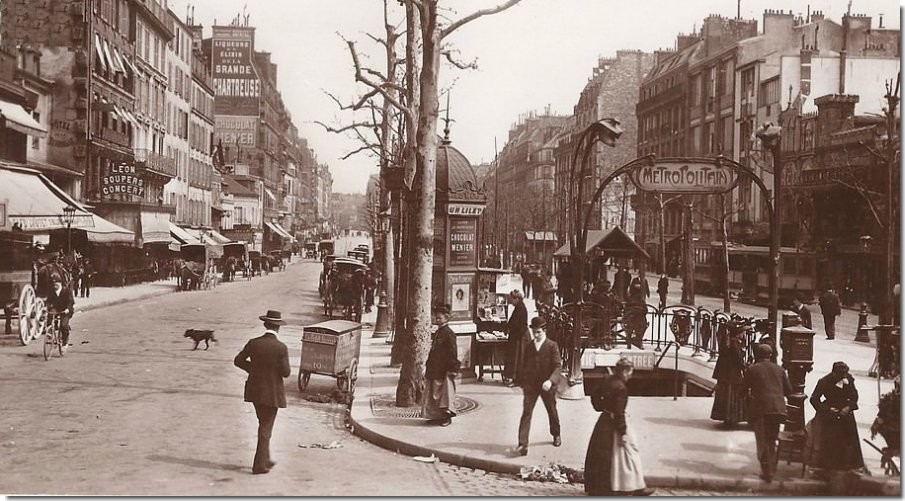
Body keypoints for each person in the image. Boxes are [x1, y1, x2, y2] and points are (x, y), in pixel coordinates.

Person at [585, 357, 654, 496]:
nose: (630, 376)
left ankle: (597, 488)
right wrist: (623, 432)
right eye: (630, 372)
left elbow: (594, 395)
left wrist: (600, 407)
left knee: (599, 456)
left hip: (603, 421)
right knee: (629, 453)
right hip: (614, 424)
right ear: (624, 372)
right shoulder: (621, 388)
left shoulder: (607, 379)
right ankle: (634, 486)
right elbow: (619, 412)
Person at [233, 310, 291, 475]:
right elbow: (286, 372)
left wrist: (253, 369)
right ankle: (259, 465)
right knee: (266, 428)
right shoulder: (281, 347)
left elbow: (238, 361)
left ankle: (266, 458)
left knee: (264, 425)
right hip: (272, 394)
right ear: (278, 327)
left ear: (265, 325)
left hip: (255, 391)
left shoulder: (254, 343)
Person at [741, 344, 792, 482]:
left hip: (761, 410)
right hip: (778, 410)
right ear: (770, 355)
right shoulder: (780, 369)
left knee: (762, 440)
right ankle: (771, 469)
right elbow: (789, 391)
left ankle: (767, 471)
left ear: (757, 355)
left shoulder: (752, 369)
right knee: (772, 439)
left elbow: (742, 390)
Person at [807, 361, 865, 475]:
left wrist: (849, 407)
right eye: (840, 375)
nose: (843, 377)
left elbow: (854, 396)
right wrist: (827, 410)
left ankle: (850, 465)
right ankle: (829, 467)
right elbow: (814, 399)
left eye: (844, 375)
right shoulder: (824, 381)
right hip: (831, 415)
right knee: (831, 440)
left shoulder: (848, 379)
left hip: (846, 414)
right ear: (834, 373)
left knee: (849, 440)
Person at [516, 316, 562, 456]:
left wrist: (550, 381)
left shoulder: (552, 346)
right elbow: (525, 365)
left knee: (551, 410)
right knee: (526, 413)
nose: (536, 335)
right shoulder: (529, 346)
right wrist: (523, 382)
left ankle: (556, 434)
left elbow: (557, 366)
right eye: (534, 332)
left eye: (538, 332)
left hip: (547, 385)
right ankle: (522, 444)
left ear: (544, 331)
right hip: (531, 385)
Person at [423, 304, 460, 426]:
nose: (437, 320)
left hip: (444, 368)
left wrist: (452, 368)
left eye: (440, 318)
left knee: (444, 394)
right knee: (434, 392)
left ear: (446, 318)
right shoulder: (438, 332)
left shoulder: (449, 333)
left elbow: (452, 352)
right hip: (435, 366)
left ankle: (446, 417)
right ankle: (437, 416)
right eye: (436, 318)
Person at [710, 320, 747, 426]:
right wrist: (744, 367)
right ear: (739, 333)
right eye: (743, 332)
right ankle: (731, 417)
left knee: (725, 394)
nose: (744, 334)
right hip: (732, 374)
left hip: (724, 374)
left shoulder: (727, 341)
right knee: (733, 394)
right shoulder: (735, 343)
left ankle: (725, 415)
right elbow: (738, 359)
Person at [504, 289, 528, 387]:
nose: (511, 301)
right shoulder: (519, 307)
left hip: (519, 337)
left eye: (512, 299)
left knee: (517, 359)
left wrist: (509, 328)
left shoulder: (520, 308)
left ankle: (517, 380)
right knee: (517, 359)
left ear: (517, 299)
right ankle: (516, 379)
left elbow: (516, 323)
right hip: (518, 335)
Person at [46, 278, 75, 352]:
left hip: (65, 310)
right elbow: (48, 301)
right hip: (56, 309)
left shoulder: (66, 291)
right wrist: (47, 307)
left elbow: (71, 301)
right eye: (54, 284)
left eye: (56, 284)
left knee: (63, 325)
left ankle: (65, 343)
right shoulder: (52, 291)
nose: (55, 286)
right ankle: (50, 331)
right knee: (50, 316)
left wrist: (68, 308)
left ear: (60, 284)